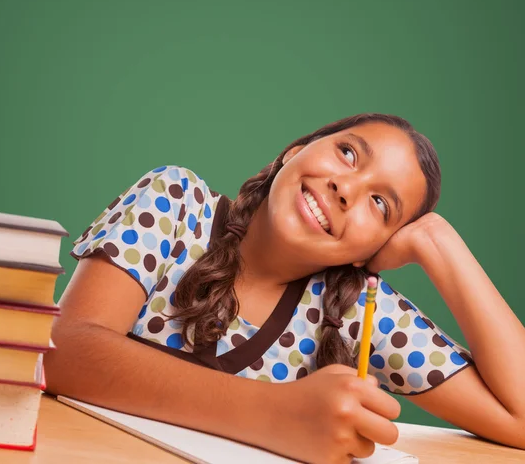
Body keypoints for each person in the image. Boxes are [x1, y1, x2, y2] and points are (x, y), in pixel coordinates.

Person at [45, 113, 525, 464]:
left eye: (380, 204)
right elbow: (64, 350)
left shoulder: (357, 309)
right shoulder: (175, 203)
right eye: (349, 153)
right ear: (293, 153)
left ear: (372, 251)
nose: (346, 189)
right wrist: (276, 415)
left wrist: (438, 244)